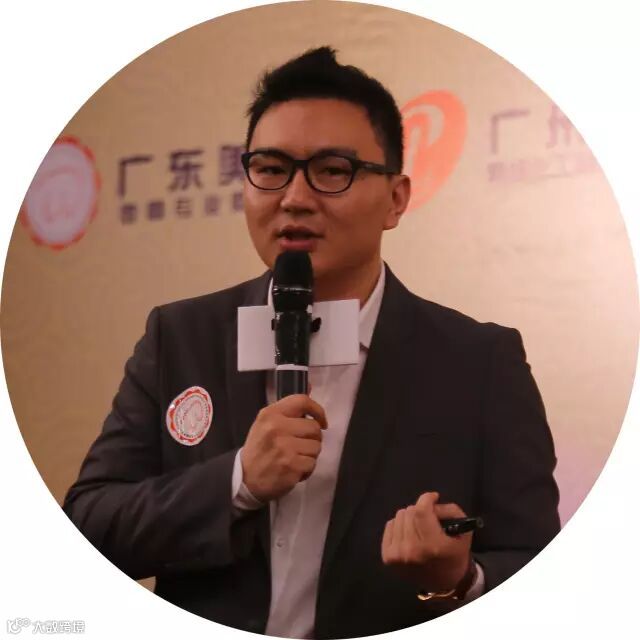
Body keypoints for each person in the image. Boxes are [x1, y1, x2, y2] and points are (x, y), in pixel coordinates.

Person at [63, 47, 560, 639]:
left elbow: (537, 567)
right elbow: (87, 528)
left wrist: (459, 580)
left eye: (332, 170)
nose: (294, 197)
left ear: (396, 199)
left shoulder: (478, 362)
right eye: (271, 168)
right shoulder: (181, 336)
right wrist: (239, 481)